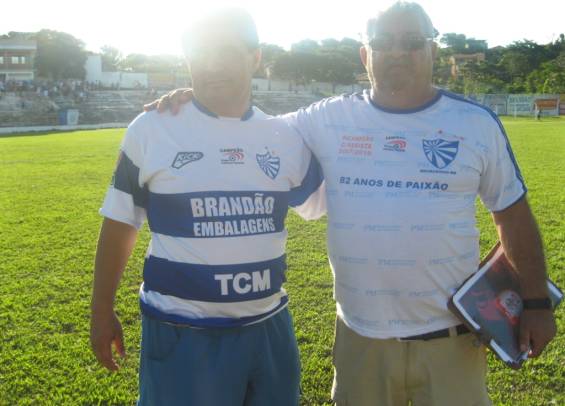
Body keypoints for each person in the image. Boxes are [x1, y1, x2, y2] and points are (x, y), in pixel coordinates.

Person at [147, 2, 557, 405]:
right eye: (383, 41)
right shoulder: (325, 119)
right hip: (362, 341)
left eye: (412, 41)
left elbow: (513, 217)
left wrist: (536, 302)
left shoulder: (476, 123)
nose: (397, 51)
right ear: (366, 55)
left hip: (452, 339)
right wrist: (203, 94)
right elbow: (250, 127)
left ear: (433, 50)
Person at [90, 8, 325, 406]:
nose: (212, 64)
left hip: (268, 327)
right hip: (181, 330)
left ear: (256, 58)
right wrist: (101, 310)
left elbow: (336, 203)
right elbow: (120, 223)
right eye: (200, 53)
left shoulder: (285, 137)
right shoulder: (152, 129)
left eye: (227, 52)